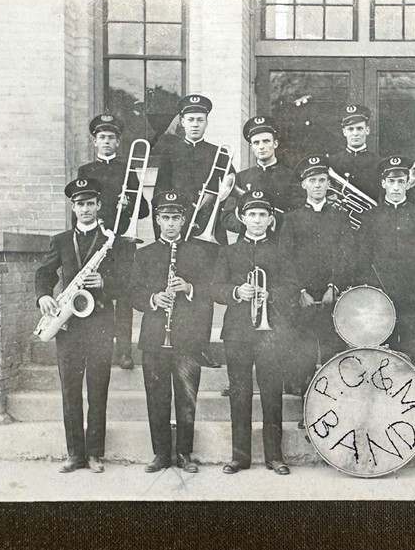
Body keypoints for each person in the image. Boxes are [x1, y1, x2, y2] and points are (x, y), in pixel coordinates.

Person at [34, 178, 120, 474]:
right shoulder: (60, 240)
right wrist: (44, 295)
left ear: (98, 206)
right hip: (68, 324)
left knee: (98, 390)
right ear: (74, 207)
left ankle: (95, 454)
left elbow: (129, 282)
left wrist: (105, 283)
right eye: (80, 204)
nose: (85, 209)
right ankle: (74, 454)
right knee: (70, 390)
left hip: (99, 324)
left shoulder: (113, 240)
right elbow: (44, 273)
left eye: (90, 203)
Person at [212, 190, 300, 475]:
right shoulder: (228, 252)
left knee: (271, 393)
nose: (257, 220)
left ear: (271, 219)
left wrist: (269, 293)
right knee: (239, 392)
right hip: (237, 332)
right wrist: (237, 291)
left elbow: (291, 288)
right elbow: (216, 289)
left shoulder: (280, 251)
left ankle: (275, 456)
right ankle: (240, 457)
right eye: (252, 214)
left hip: (270, 331)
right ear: (242, 218)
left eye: (263, 215)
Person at [128, 191, 216, 473]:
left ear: (183, 220)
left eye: (175, 218)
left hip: (187, 338)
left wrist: (189, 288)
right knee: (157, 397)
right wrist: (153, 299)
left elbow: (210, 293)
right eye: (165, 218)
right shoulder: (144, 254)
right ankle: (161, 454)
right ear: (157, 220)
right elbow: (132, 293)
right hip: (155, 337)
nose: (170, 224)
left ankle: (185, 453)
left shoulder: (198, 253)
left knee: (187, 397)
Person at [277, 155, 353, 411]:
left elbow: (345, 254)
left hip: (333, 297)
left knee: (333, 354)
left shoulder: (340, 217)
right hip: (304, 299)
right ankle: (308, 412)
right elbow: (285, 259)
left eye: (322, 180)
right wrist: (299, 291)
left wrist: (335, 286)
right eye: (313, 180)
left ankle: (333, 411)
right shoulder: (293, 218)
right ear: (304, 185)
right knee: (305, 356)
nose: (318, 185)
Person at [77, 113, 150, 370]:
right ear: (94, 142)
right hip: (96, 241)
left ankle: (124, 352)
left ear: (118, 142)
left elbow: (144, 210)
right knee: (99, 294)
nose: (106, 141)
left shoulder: (127, 169)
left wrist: (129, 203)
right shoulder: (85, 171)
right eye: (101, 137)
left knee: (125, 296)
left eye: (111, 137)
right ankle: (101, 349)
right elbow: (79, 207)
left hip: (121, 241)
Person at [351, 156, 415, 363]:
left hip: (412, 298)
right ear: (383, 184)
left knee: (411, 354)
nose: (396, 187)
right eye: (391, 181)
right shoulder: (370, 217)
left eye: (401, 181)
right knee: (379, 357)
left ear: (408, 183)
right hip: (379, 298)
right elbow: (362, 258)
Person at [154, 94, 236, 244]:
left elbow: (232, 188)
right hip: (180, 224)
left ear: (206, 123)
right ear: (182, 122)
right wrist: (160, 235)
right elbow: (160, 192)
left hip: (210, 222)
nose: (195, 124)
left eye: (200, 120)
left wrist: (216, 201)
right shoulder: (170, 152)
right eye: (190, 120)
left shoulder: (220, 153)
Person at [221, 115, 304, 236]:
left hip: (279, 241)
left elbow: (300, 213)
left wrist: (276, 222)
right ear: (251, 147)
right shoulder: (240, 178)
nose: (261, 146)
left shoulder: (291, 176)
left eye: (266, 141)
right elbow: (227, 216)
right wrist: (249, 227)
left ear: (275, 144)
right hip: (248, 243)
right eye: (256, 142)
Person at [328, 103, 381, 204]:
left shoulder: (379, 163)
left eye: (359, 128)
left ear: (367, 130)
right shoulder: (332, 162)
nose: (355, 133)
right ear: (344, 132)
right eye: (350, 129)